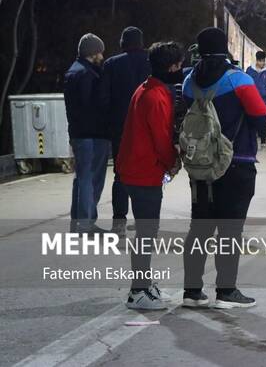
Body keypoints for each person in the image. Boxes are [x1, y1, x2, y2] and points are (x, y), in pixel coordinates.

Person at [182, 27, 266, 309]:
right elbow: (260, 116)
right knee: (230, 230)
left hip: (201, 166)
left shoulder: (189, 83)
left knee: (200, 228)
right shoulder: (239, 80)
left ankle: (192, 291)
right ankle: (226, 290)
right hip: (237, 163)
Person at [117, 42, 184, 310]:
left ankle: (144, 284)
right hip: (143, 171)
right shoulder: (155, 96)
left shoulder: (146, 88)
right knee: (147, 232)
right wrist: (172, 163)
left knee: (146, 231)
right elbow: (161, 138)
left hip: (134, 168)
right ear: (171, 67)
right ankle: (138, 291)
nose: (180, 70)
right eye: (178, 65)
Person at [98, 26, 151, 236]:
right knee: (146, 174)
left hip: (121, 128)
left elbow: (103, 98)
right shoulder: (152, 62)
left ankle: (119, 223)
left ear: (122, 43)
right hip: (148, 127)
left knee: (121, 175)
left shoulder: (111, 64)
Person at [64, 33, 111, 234]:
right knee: (91, 179)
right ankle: (86, 223)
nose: (102, 55)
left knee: (81, 177)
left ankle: (78, 222)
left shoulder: (73, 71)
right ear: (93, 53)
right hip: (92, 134)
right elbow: (92, 106)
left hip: (78, 133)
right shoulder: (87, 74)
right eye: (100, 51)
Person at [245, 50, 266, 148]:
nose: (261, 63)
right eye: (260, 61)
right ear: (256, 60)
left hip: (265, 100)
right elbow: (246, 82)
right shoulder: (250, 70)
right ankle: (252, 143)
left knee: (263, 122)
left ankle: (263, 143)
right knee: (251, 121)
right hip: (252, 99)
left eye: (263, 61)